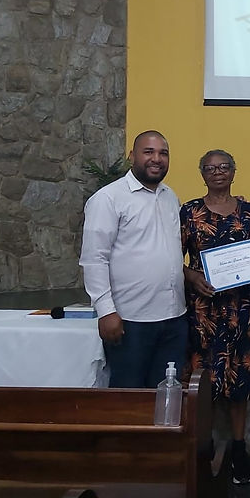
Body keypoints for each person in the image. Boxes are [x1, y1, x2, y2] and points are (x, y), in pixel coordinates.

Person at [181, 149, 250, 486]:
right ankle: (203, 451)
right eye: (210, 168)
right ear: (201, 173)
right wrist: (192, 277)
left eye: (224, 167)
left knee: (240, 384)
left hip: (242, 311)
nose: (217, 172)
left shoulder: (249, 212)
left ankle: (238, 449)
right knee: (203, 383)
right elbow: (172, 260)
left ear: (234, 171)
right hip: (203, 312)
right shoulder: (189, 212)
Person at [79, 130, 189, 388]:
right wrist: (106, 311)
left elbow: (167, 252)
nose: (156, 159)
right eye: (148, 152)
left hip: (174, 318)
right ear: (132, 156)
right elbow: (95, 259)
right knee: (128, 401)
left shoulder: (170, 197)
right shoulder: (108, 199)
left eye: (163, 153)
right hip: (131, 323)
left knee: (165, 400)